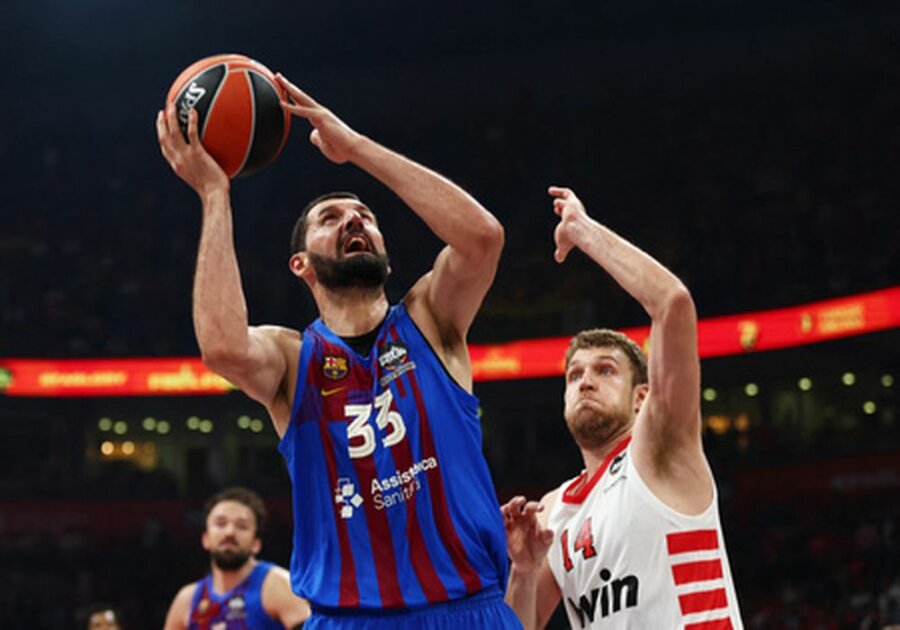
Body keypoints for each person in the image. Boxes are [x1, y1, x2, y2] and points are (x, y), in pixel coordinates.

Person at [156, 73, 521, 629]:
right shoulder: (292, 359)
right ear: (300, 265)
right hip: (348, 618)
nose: (354, 220)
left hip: (467, 610)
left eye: (366, 217)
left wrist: (354, 148)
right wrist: (214, 195)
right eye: (330, 219)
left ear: (385, 251)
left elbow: (482, 238)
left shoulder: (432, 320)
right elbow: (223, 347)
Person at [502, 187, 743, 629]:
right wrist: (523, 570)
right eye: (574, 375)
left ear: (642, 398)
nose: (585, 381)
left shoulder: (659, 451)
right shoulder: (555, 509)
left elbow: (672, 303)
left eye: (605, 370)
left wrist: (583, 231)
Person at [163, 486, 310, 629]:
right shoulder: (187, 600)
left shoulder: (278, 585)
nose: (230, 532)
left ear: (256, 544)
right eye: (221, 524)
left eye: (241, 526)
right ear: (205, 539)